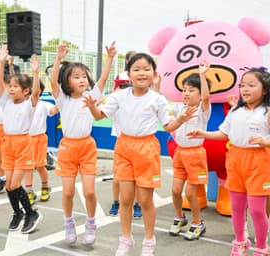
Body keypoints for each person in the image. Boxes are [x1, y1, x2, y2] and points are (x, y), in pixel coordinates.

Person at [84, 53, 197, 255]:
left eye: (146, 69)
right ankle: (126, 239)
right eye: (136, 69)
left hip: (147, 149)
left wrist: (181, 119)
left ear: (154, 74)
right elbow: (100, 116)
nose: (141, 73)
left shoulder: (157, 99)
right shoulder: (119, 96)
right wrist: (93, 107)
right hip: (124, 147)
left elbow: (169, 125)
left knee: (145, 200)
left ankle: (149, 241)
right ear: (128, 74)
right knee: (126, 199)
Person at [187, 67, 270, 256]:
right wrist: (204, 133)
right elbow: (224, 133)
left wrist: (265, 141)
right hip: (235, 160)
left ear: (264, 89)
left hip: (259, 162)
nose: (245, 89)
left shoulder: (267, 111)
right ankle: (240, 241)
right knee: (237, 207)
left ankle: (262, 246)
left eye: (251, 85)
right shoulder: (235, 111)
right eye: (243, 85)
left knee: (257, 210)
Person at [50, 41, 116, 246]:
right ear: (67, 81)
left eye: (83, 76)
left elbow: (103, 79)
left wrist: (110, 58)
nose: (81, 79)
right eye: (76, 76)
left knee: (89, 191)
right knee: (68, 192)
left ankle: (90, 222)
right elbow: (53, 82)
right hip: (67, 148)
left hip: (87, 147)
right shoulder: (63, 99)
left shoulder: (91, 97)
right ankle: (68, 223)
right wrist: (58, 59)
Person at [0, 44, 42, 234]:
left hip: (23, 144)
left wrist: (36, 73)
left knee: (15, 184)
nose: (11, 89)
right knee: (8, 184)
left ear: (25, 91)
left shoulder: (29, 104)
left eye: (15, 86)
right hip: (8, 143)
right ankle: (18, 213)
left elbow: (36, 92)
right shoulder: (6, 101)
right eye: (10, 86)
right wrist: (1, 63)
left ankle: (31, 213)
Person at [168, 61, 211, 240]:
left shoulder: (202, 109)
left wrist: (202, 75)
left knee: (191, 193)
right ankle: (180, 217)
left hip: (196, 154)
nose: (186, 93)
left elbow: (207, 98)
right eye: (184, 89)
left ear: (200, 94)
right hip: (180, 153)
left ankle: (197, 223)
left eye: (191, 90)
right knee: (176, 191)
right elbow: (168, 118)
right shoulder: (179, 107)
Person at [107, 83, 142, 220]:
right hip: (121, 144)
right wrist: (115, 93)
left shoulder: (136, 107)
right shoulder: (115, 109)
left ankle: (137, 204)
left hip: (138, 145)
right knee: (117, 179)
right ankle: (116, 202)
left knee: (137, 179)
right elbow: (101, 107)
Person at [24, 81, 59, 205]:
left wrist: (60, 99)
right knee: (27, 167)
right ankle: (29, 191)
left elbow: (54, 110)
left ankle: (45, 187)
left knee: (39, 166)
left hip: (39, 139)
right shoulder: (22, 104)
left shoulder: (44, 104)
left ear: (39, 91)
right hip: (25, 139)